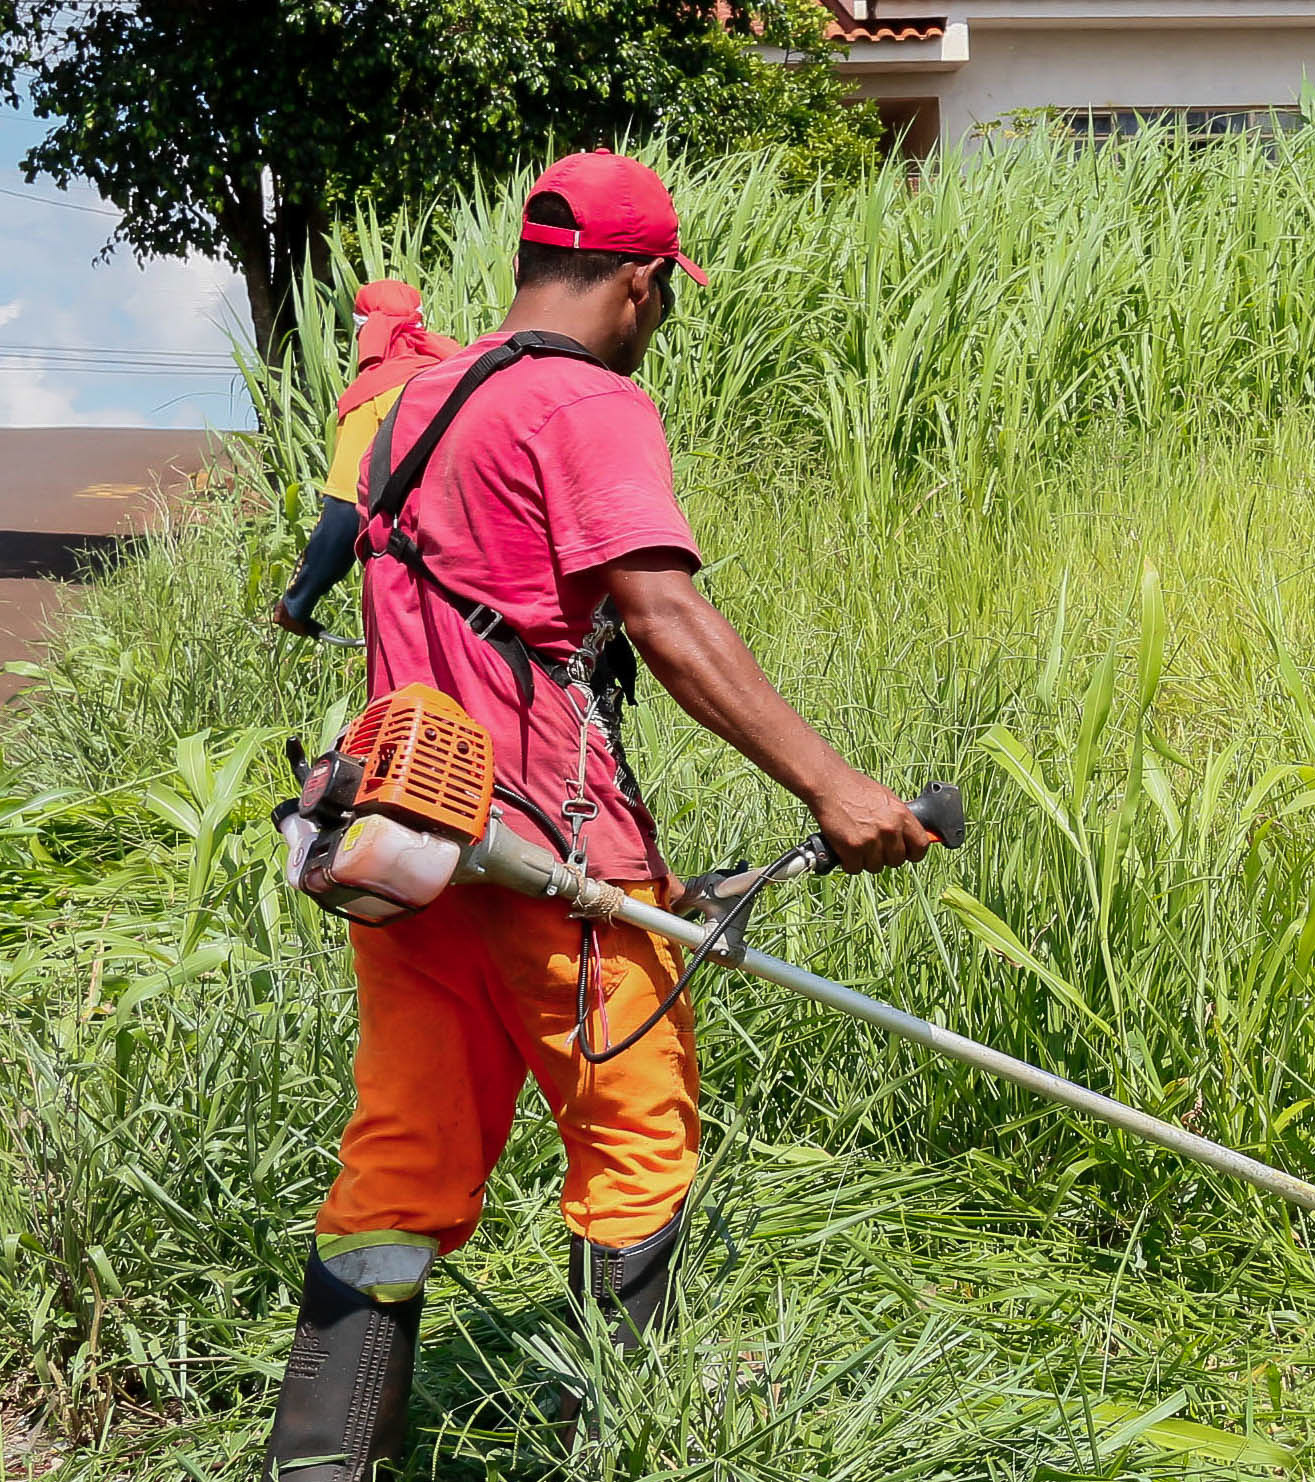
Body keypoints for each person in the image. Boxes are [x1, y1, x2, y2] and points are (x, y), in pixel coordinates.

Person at [263, 150, 934, 1482]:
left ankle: (318, 1469)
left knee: (399, 1165)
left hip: (406, 842)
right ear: (640, 284)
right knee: (635, 1147)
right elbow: (664, 615)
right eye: (661, 296)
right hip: (550, 862)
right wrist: (834, 787)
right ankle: (616, 1454)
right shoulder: (588, 402)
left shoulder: (405, 401)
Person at [273, 279, 461, 639]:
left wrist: (298, 602)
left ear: (365, 331)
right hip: (491, 583)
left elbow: (344, 515)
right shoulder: (461, 376)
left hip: (417, 588)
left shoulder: (371, 396)